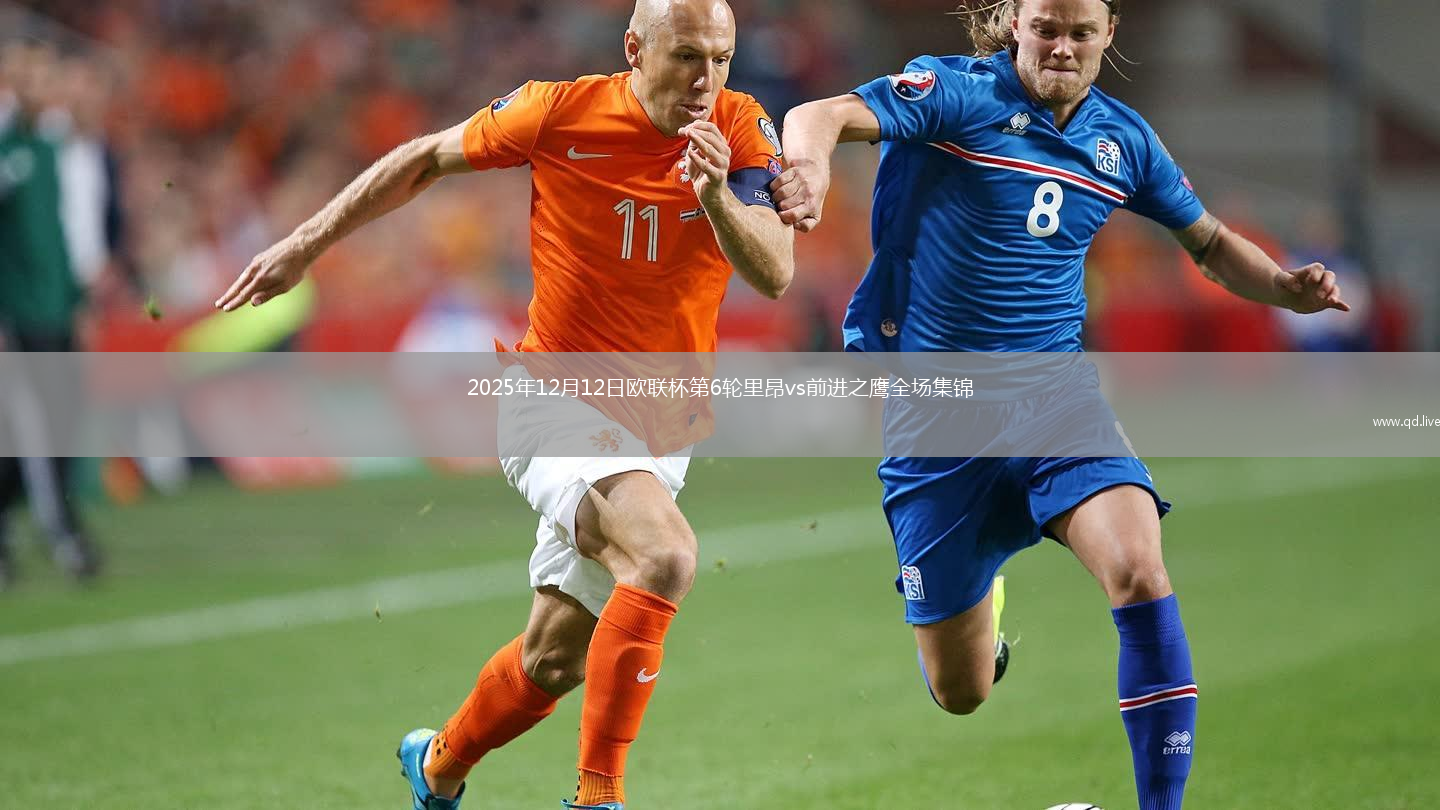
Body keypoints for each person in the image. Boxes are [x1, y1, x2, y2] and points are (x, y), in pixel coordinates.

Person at [769, 1, 1347, 809]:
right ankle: (985, 593)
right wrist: (812, 169)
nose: (1063, 48)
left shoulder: (1123, 140)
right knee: (961, 692)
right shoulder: (956, 94)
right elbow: (816, 113)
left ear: (1109, 34)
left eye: (1081, 32)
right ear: (1014, 23)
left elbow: (1210, 243)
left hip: (1056, 402)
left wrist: (1283, 287)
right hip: (937, 422)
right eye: (1047, 28)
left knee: (1139, 573)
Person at [215, 2, 792, 808]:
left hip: (664, 425)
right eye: (687, 56)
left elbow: (775, 272)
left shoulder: (740, 126)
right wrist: (302, 246)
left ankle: (437, 766)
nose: (707, 79)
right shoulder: (557, 112)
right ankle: (598, 797)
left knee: (553, 660)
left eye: (722, 58)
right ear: (635, 48)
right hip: (554, 401)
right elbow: (424, 158)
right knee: (665, 557)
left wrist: (719, 196)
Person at [0, 39, 104, 590]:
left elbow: (60, 235)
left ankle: (53, 526)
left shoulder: (48, 150)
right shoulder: (10, 149)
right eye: (34, 76)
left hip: (55, 306)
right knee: (22, 427)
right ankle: (60, 530)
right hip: (18, 310)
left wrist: (78, 300)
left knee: (59, 420)